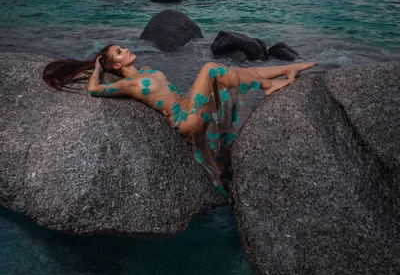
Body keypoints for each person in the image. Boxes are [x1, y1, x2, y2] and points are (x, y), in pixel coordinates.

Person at [43, 44, 316, 197]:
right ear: (116, 65)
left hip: (190, 106)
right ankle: (268, 86)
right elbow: (94, 90)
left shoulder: (146, 70)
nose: (125, 49)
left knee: (229, 72)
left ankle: (287, 67)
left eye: (122, 48)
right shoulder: (130, 84)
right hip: (186, 120)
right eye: (119, 52)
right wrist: (97, 69)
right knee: (211, 68)